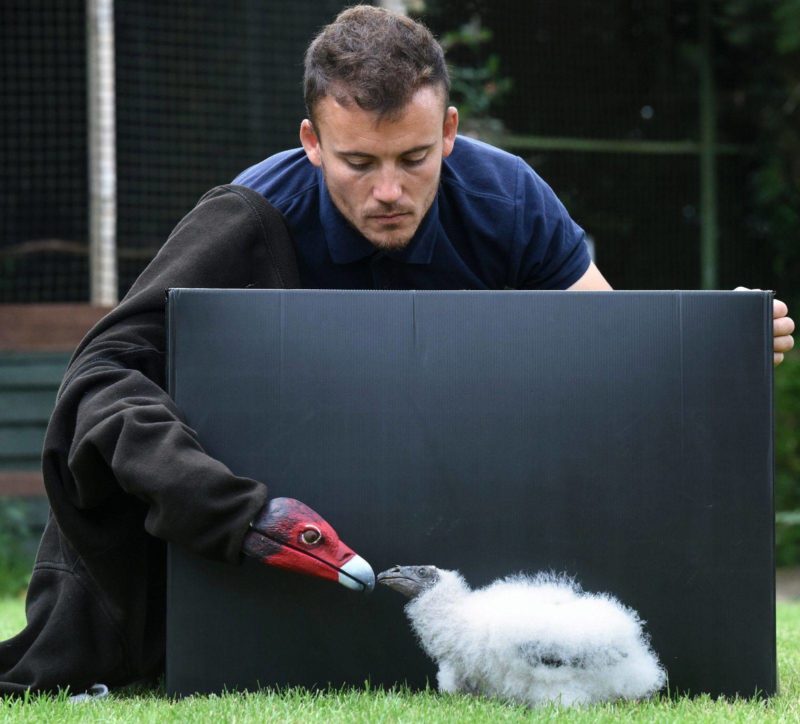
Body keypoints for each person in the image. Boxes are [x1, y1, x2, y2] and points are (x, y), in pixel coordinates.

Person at [0, 5, 793, 696]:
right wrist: (234, 511)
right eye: (358, 163)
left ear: (448, 132)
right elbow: (102, 376)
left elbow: (613, 351)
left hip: (479, 525)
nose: (389, 191)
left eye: (414, 159)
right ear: (312, 143)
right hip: (267, 554)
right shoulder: (247, 219)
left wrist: (714, 350)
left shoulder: (509, 200)